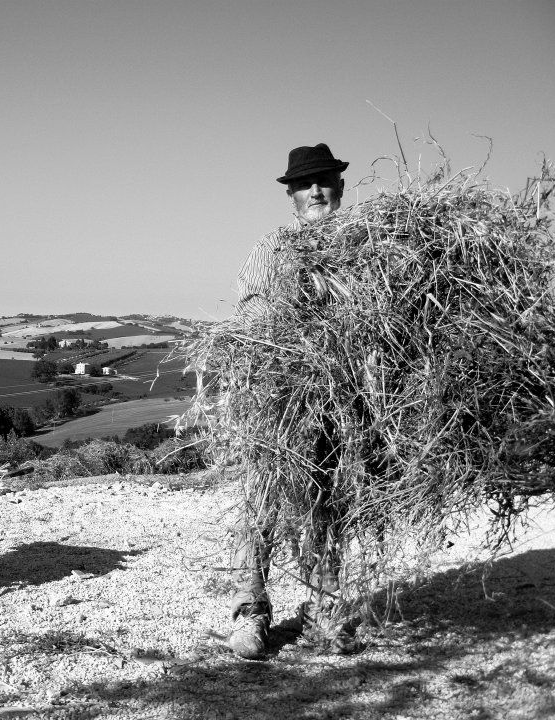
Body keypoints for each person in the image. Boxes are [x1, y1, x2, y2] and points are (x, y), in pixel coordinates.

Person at [224, 143, 352, 659]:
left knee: (329, 506)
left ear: (340, 187)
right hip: (278, 395)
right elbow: (252, 310)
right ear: (292, 196)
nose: (316, 190)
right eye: (306, 184)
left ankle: (324, 614)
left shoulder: (363, 247)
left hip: (342, 400)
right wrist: (294, 336)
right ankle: (250, 617)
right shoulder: (274, 248)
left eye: (324, 180)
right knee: (262, 504)